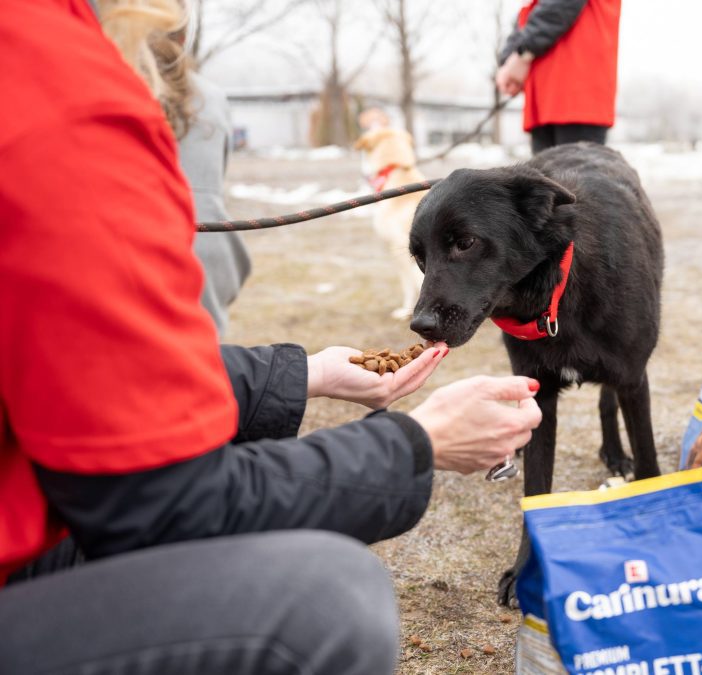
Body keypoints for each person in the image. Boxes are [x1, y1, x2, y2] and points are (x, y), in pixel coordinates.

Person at [0, 1, 542, 673]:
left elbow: (85, 382)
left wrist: (305, 373)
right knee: (326, 601)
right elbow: (166, 503)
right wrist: (420, 442)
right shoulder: (68, 103)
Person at [99, 0, 251, 337]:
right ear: (182, 38)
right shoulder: (207, 99)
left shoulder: (92, 86)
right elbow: (206, 213)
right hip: (200, 291)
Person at [496, 0, 621, 155]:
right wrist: (508, 61)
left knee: (576, 176)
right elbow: (528, 12)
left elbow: (558, 6)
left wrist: (522, 53)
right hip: (542, 100)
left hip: (578, 97)